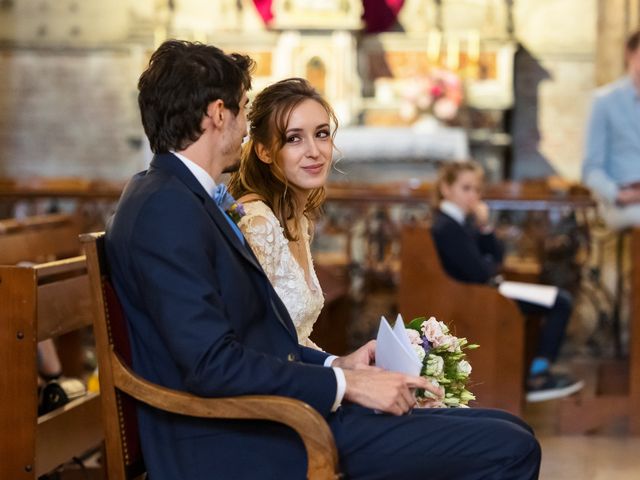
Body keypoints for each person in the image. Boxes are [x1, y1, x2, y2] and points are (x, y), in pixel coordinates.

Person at [105, 40, 540, 479]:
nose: (243, 127)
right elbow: (211, 364)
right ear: (219, 113)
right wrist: (347, 386)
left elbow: (246, 340)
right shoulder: (168, 206)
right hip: (235, 439)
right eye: (242, 109)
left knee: (507, 428)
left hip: (262, 419)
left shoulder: (173, 194)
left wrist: (338, 365)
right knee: (511, 447)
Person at [431, 161, 585, 402]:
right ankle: (538, 377)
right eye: (466, 188)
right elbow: (480, 271)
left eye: (477, 189)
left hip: (484, 291)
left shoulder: (462, 221)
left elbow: (497, 257)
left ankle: (537, 371)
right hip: (474, 298)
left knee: (559, 299)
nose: (473, 195)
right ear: (445, 188)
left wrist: (484, 226)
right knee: (561, 302)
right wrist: (488, 264)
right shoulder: (447, 226)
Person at [227, 78, 334, 349]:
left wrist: (343, 368)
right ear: (264, 151)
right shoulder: (257, 224)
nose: (314, 151)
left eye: (321, 133)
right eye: (294, 138)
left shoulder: (297, 219)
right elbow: (247, 341)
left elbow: (294, 339)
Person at [582, 29, 640, 230]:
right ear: (630, 54)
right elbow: (591, 169)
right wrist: (617, 194)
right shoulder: (605, 102)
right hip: (622, 200)